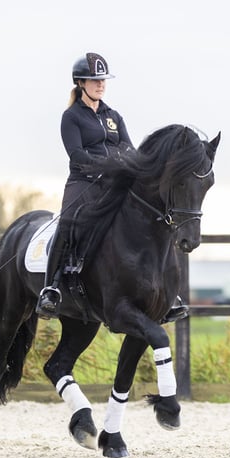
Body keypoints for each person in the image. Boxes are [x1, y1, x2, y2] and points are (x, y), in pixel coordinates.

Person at [36, 52, 188, 323]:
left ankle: (165, 292)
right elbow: (77, 156)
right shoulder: (71, 117)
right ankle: (51, 288)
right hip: (84, 182)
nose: (101, 85)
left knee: (145, 218)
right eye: (95, 80)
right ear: (81, 82)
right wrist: (109, 164)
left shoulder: (113, 116)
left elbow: (129, 148)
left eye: (103, 80)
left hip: (114, 182)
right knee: (68, 221)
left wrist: (133, 165)